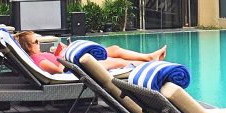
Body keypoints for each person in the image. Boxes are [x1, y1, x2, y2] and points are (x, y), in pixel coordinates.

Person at [14, 31, 167, 75]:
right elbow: (60, 71)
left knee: (114, 49)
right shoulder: (38, 60)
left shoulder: (39, 56)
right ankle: (151, 63)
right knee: (116, 62)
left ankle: (148, 57)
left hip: (73, 61)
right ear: (28, 46)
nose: (39, 43)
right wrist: (62, 55)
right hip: (76, 67)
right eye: (36, 42)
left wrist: (60, 53)